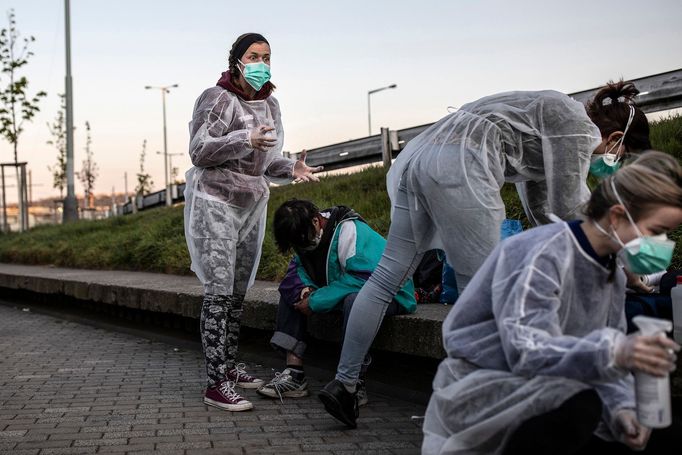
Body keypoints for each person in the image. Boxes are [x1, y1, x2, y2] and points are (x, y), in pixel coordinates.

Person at [319, 81, 652, 427]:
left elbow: (543, 210)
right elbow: (570, 206)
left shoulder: (551, 119)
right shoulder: (578, 129)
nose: (610, 163)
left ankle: (344, 384)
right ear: (614, 139)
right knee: (481, 293)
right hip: (461, 165)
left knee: (387, 276)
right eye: (621, 156)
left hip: (421, 158)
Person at [421, 151, 682, 454]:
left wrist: (622, 407)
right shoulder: (540, 253)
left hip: (558, 392)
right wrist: (616, 351)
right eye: (657, 232)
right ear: (617, 216)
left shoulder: (612, 274)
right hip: (492, 391)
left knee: (658, 433)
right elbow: (526, 349)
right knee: (581, 406)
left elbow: (600, 365)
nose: (662, 245)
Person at [184, 33, 322, 412]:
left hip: (252, 204)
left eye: (267, 56)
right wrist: (244, 137)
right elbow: (199, 150)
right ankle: (216, 384)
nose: (261, 62)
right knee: (218, 289)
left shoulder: (270, 104)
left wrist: (290, 167)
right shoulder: (217, 98)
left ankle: (228, 366)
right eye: (253, 56)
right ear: (237, 61)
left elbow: (267, 159)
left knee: (238, 291)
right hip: (216, 201)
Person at [257, 199, 416, 408]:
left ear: (316, 221)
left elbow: (365, 279)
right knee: (292, 292)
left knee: (356, 301)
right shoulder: (304, 234)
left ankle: (354, 382)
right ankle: (294, 374)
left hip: (389, 294)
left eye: (303, 241)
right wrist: (305, 290)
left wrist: (316, 300)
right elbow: (297, 270)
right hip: (344, 289)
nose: (302, 248)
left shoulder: (349, 231)